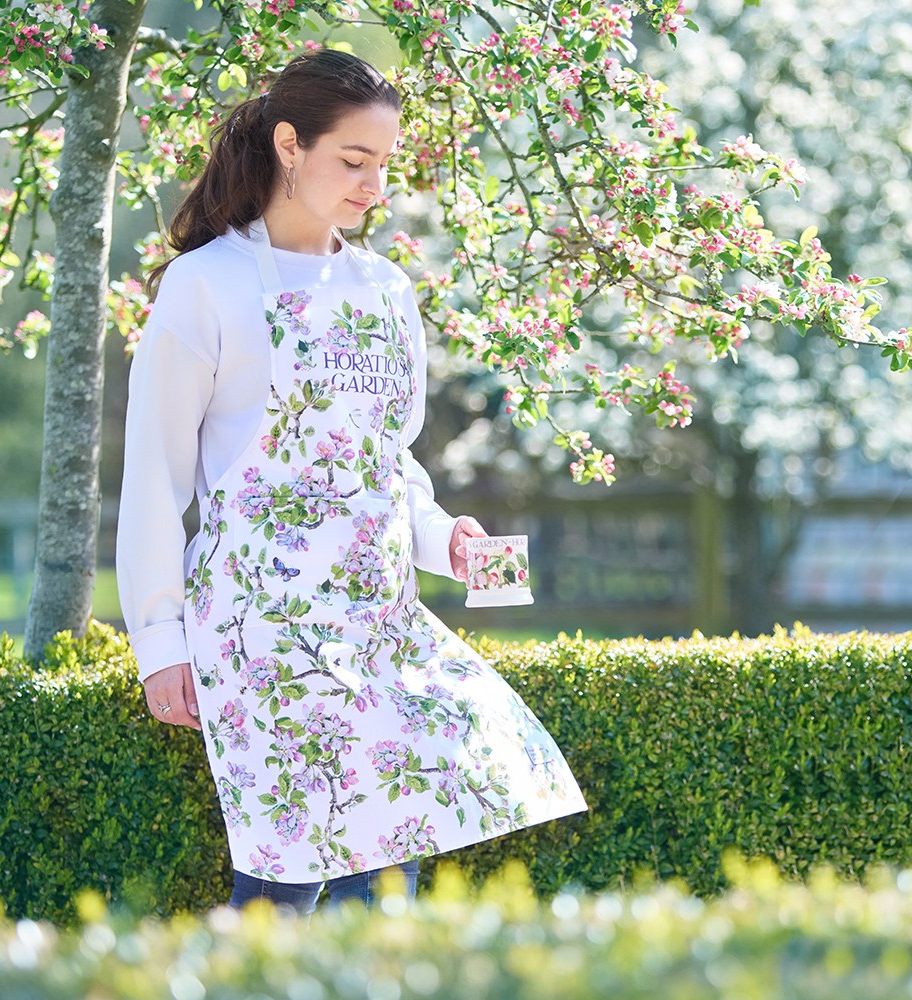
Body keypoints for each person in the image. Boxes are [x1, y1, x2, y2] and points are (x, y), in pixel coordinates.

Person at [116, 48, 587, 916]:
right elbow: (153, 474)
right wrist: (160, 642)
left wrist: (447, 539)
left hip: (379, 621)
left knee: (390, 871)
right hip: (262, 624)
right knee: (286, 874)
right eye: (353, 161)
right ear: (290, 146)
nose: (374, 186)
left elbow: (386, 462)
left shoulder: (383, 289)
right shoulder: (204, 285)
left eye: (384, 164)